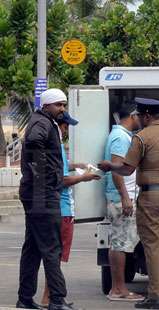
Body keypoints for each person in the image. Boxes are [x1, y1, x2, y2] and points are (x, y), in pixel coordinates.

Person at [98, 98, 159, 310]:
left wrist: (109, 166)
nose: (139, 120)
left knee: (153, 246)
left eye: (141, 116)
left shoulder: (141, 138)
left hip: (152, 196)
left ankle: (156, 297)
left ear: (148, 116)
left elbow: (127, 169)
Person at [17, 89, 75, 310]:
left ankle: (24, 298)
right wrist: (46, 176)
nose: (62, 109)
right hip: (42, 194)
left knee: (32, 248)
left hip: (37, 192)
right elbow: (33, 142)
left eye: (64, 105)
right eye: (59, 105)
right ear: (48, 105)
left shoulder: (44, 121)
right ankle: (57, 300)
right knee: (52, 247)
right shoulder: (41, 123)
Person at [40, 112, 101, 307]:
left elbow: (63, 169)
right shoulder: (55, 146)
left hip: (61, 209)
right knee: (55, 257)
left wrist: (77, 165)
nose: (67, 131)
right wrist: (85, 177)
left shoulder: (57, 148)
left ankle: (50, 297)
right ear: (58, 126)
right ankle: (50, 298)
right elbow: (63, 180)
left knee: (55, 257)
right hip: (63, 210)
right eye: (65, 127)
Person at [103, 105, 143, 302]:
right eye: (140, 116)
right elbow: (116, 169)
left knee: (121, 242)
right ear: (133, 115)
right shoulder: (120, 138)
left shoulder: (122, 135)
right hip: (120, 199)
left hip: (121, 197)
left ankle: (118, 288)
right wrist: (125, 197)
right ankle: (118, 289)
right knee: (120, 243)